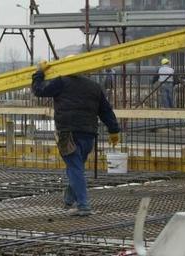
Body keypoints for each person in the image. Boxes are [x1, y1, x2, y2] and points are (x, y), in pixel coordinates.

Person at [31, 60, 120, 216]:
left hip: (68, 133)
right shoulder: (94, 87)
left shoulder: (61, 82)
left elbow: (39, 90)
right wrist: (114, 130)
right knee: (76, 167)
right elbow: (106, 111)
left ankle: (83, 206)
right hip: (88, 135)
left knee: (75, 168)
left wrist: (40, 72)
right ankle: (69, 198)